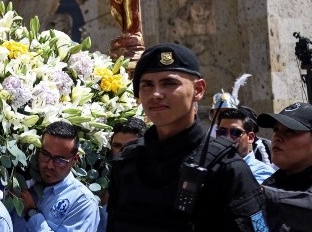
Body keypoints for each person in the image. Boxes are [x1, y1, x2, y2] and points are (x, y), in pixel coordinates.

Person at [106, 43, 266, 231]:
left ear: (198, 90)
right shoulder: (127, 162)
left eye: (169, 83)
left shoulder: (227, 169)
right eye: (147, 84)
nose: (156, 94)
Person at [12, 121, 99, 231]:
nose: (50, 165)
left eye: (60, 160)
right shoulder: (24, 182)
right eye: (45, 154)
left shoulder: (83, 202)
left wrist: (31, 212)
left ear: (74, 160)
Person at [256, 102, 312, 231]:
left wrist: (260, 194)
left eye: (290, 131)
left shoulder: (266, 191)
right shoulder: (272, 183)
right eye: (276, 129)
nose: (277, 137)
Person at [217, 108, 275, 183]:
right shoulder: (212, 166)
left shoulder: (262, 172)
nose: (227, 138)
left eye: (235, 132)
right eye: (222, 132)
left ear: (250, 137)